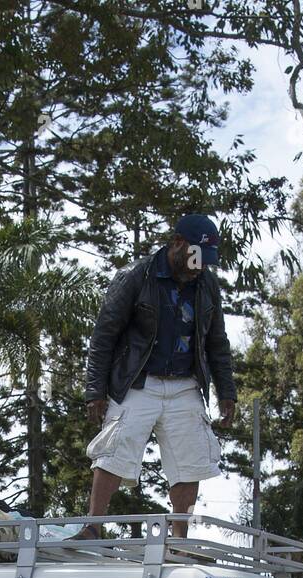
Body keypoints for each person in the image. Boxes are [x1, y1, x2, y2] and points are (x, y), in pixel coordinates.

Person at [80, 212, 237, 540]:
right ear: (178, 243)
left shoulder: (207, 286)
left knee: (189, 459)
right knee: (114, 448)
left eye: (204, 261)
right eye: (195, 257)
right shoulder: (136, 276)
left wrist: (227, 392)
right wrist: (95, 390)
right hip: (139, 381)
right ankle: (93, 527)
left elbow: (217, 343)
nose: (198, 266)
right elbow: (104, 335)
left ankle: (180, 539)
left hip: (185, 384)